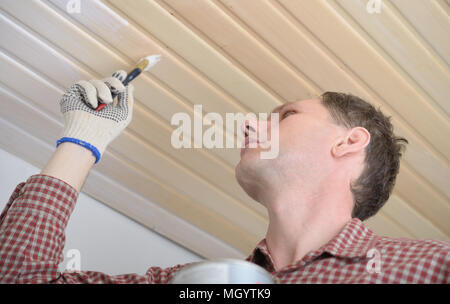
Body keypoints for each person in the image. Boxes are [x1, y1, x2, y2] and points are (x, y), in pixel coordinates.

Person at [0, 71, 448, 283]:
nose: (249, 127)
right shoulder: (188, 285)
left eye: (286, 116)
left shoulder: (429, 269)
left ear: (349, 143)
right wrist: (83, 140)